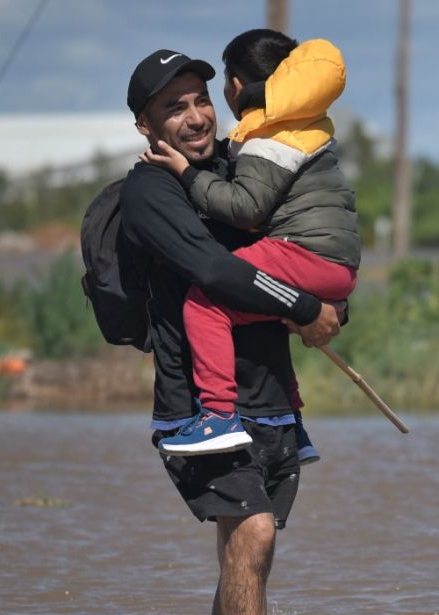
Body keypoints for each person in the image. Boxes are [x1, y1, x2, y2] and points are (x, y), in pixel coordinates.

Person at [120, 47, 343, 615]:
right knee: (255, 531)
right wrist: (303, 305)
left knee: (245, 558)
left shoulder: (245, 166)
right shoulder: (150, 191)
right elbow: (214, 269)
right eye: (174, 108)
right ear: (146, 125)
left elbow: (309, 244)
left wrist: (334, 305)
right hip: (201, 409)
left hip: (272, 402)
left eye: (201, 101)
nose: (195, 117)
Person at [142, 30, 360, 457]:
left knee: (206, 301)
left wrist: (186, 173)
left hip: (305, 252)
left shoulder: (267, 134)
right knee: (260, 305)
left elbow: (246, 208)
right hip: (337, 265)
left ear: (236, 85)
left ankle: (219, 416)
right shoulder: (308, 126)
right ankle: (294, 426)